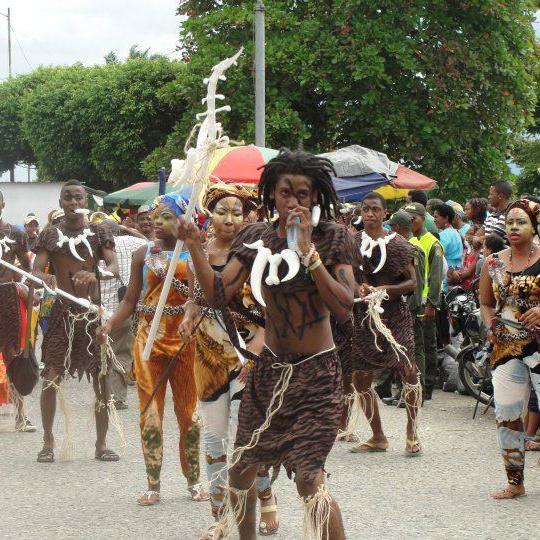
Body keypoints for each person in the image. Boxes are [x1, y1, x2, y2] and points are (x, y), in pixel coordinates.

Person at [177, 149, 355, 540]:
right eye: (285, 192)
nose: (294, 202)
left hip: (318, 376)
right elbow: (218, 295)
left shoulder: (333, 237)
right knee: (241, 470)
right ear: (270, 195)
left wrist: (309, 254)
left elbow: (345, 306)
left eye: (303, 194)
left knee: (310, 480)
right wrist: (193, 245)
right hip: (269, 373)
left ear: (315, 197)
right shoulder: (255, 237)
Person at [179, 184, 279, 539]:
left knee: (245, 436)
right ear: (209, 214)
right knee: (214, 439)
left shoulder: (258, 257)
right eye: (223, 211)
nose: (230, 219)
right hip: (208, 355)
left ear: (248, 217)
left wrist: (258, 353)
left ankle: (265, 497)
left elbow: (271, 313)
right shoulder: (199, 254)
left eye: (238, 212)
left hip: (248, 356)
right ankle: (219, 516)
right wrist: (188, 316)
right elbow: (195, 298)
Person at [99, 193, 207, 506]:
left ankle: (194, 481)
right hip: (148, 342)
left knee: (190, 416)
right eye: (156, 217)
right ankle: (153, 484)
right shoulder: (142, 255)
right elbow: (130, 301)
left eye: (167, 217)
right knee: (150, 415)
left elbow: (201, 299)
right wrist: (109, 324)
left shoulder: (195, 254)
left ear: (184, 221)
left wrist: (192, 313)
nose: (158, 223)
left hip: (187, 343)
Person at [33, 180, 119, 463]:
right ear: (60, 202)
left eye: (78, 198)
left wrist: (97, 275)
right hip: (60, 315)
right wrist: (45, 276)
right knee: (51, 378)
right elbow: (36, 270)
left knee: (102, 380)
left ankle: (101, 444)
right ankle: (48, 441)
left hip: (92, 315)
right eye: (67, 198)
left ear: (85, 202)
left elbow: (114, 268)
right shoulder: (49, 234)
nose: (73, 203)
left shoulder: (98, 232)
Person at [349, 192, 422, 456]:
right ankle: (378, 436)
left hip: (394, 315)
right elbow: (343, 276)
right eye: (366, 209)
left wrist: (383, 289)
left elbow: (412, 283)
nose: (370, 214)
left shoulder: (399, 244)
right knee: (360, 378)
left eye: (375, 210)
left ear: (384, 213)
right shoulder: (352, 241)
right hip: (363, 318)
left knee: (409, 372)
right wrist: (357, 288)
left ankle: (412, 432)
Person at [479, 199, 540, 499]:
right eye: (510, 223)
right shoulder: (493, 262)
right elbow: (486, 303)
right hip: (506, 348)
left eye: (521, 222)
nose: (514, 228)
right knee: (506, 413)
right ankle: (515, 482)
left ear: (533, 226)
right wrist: (491, 325)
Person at [98, 218, 146, 410]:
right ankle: (116, 396)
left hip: (100, 307)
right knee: (122, 352)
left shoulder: (96, 246)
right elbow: (147, 240)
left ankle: (105, 394)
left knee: (102, 352)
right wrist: (128, 229)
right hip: (125, 306)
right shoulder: (134, 243)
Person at [0, 190, 36, 432]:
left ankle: (21, 416)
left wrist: (21, 282)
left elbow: (27, 265)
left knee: (14, 354)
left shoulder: (15, 233)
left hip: (8, 298)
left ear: (2, 203)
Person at [384, 210, 426, 402]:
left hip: (411, 305)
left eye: (391, 227)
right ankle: (401, 392)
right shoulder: (402, 246)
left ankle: (415, 392)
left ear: (398, 228)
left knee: (413, 351)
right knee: (399, 350)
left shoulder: (412, 248)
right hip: (403, 304)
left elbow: (416, 282)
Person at [405, 202, 444, 400]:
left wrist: (432, 304)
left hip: (426, 302)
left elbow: (436, 277)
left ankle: (428, 385)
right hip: (413, 302)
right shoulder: (409, 240)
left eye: (415, 218)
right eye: (408, 218)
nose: (411, 221)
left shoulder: (432, 243)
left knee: (428, 344)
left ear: (423, 218)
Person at [433, 203, 463, 271]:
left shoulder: (444, 235)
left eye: (436, 217)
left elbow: (437, 256)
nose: (434, 220)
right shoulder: (456, 232)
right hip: (457, 269)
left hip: (446, 272)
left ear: (446, 218)